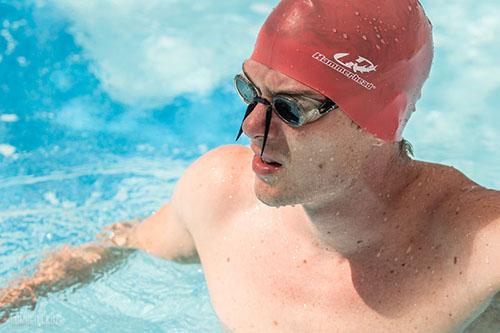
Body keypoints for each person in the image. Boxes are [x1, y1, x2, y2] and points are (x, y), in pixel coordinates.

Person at [1, 0, 499, 331]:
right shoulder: (217, 195)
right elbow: (121, 243)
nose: (251, 127)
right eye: (250, 93)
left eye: (291, 109)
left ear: (379, 124)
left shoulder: (479, 251)